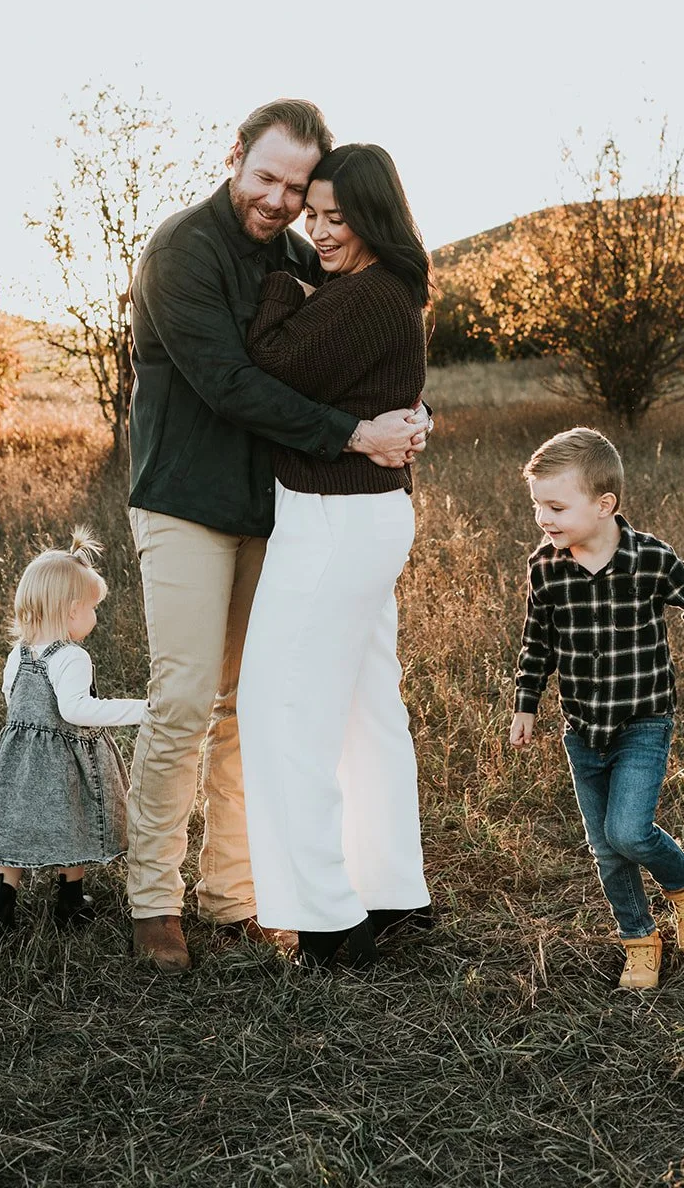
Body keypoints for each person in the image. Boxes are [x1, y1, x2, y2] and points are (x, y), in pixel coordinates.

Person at [126, 100, 429, 974]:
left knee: (246, 704)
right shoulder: (181, 253)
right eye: (266, 177)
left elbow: (356, 350)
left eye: (296, 187)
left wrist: (409, 414)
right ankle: (153, 900)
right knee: (185, 698)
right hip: (186, 500)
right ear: (234, 157)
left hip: (272, 506)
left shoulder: (297, 252)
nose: (279, 200)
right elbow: (230, 383)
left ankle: (233, 892)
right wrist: (355, 434)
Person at [237, 143, 434, 969]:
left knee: (281, 710)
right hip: (361, 515)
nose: (317, 232)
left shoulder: (363, 295)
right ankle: (392, 892)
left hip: (334, 520)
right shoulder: (385, 290)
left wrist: (285, 284)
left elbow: (269, 359)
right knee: (362, 710)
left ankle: (325, 919)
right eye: (311, 216)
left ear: (373, 219)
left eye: (335, 219)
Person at [508, 428, 684, 989]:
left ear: (604, 504)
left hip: (643, 720)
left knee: (629, 833)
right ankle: (639, 940)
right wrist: (526, 703)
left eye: (556, 507)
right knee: (605, 849)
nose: (543, 518)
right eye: (538, 505)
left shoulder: (650, 559)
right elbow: (537, 642)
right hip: (582, 729)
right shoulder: (545, 567)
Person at [0, 530, 146, 937]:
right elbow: (76, 709)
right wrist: (142, 710)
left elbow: (11, 697)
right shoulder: (72, 656)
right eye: (93, 607)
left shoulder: (18, 653)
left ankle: (1, 904)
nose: (95, 616)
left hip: (19, 757)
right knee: (75, 819)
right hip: (64, 761)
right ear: (72, 612)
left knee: (14, 824)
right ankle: (70, 900)